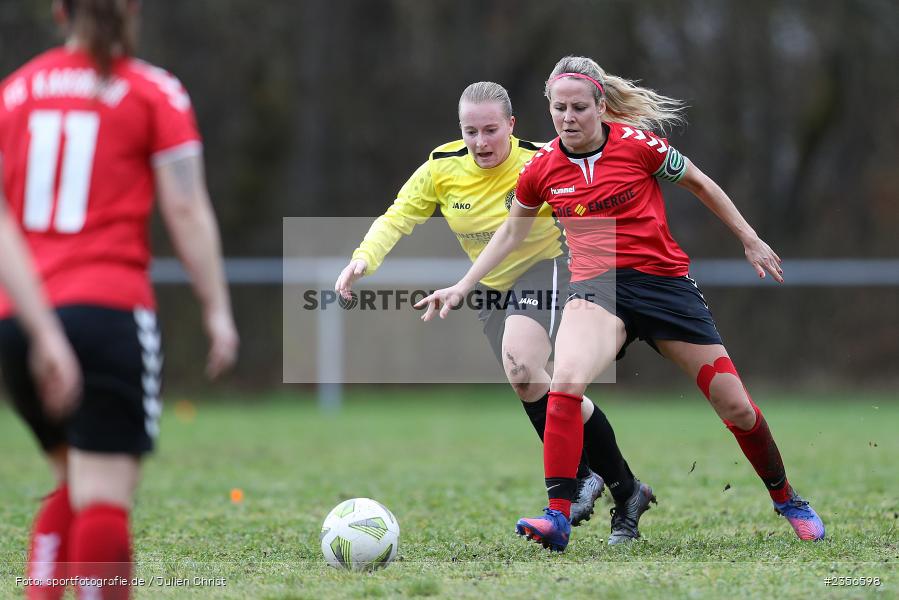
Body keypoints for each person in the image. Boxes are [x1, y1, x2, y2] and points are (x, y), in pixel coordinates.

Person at [417, 56, 825, 551]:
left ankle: (786, 498)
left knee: (735, 405)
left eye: (579, 108)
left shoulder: (639, 145)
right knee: (564, 381)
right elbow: (510, 234)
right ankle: (558, 515)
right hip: (597, 289)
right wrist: (463, 285)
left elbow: (700, 183)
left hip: (663, 285)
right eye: (559, 108)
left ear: (601, 106)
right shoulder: (542, 168)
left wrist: (749, 238)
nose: (568, 118)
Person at [335, 81, 652, 538]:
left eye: (490, 130)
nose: (481, 143)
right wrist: (362, 259)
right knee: (529, 380)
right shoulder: (441, 168)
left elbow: (596, 190)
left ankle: (581, 478)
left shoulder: (541, 157)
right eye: (471, 131)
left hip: (550, 265)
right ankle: (625, 488)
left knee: (523, 363)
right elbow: (398, 216)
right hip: (489, 285)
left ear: (511, 125)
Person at [0, 1, 239, 598]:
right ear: (131, 9)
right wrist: (216, 308)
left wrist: (40, 328)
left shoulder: (15, 91)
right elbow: (185, 208)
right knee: (102, 497)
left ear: (59, 10)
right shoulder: (152, 90)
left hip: (17, 318)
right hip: (107, 312)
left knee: (69, 479)